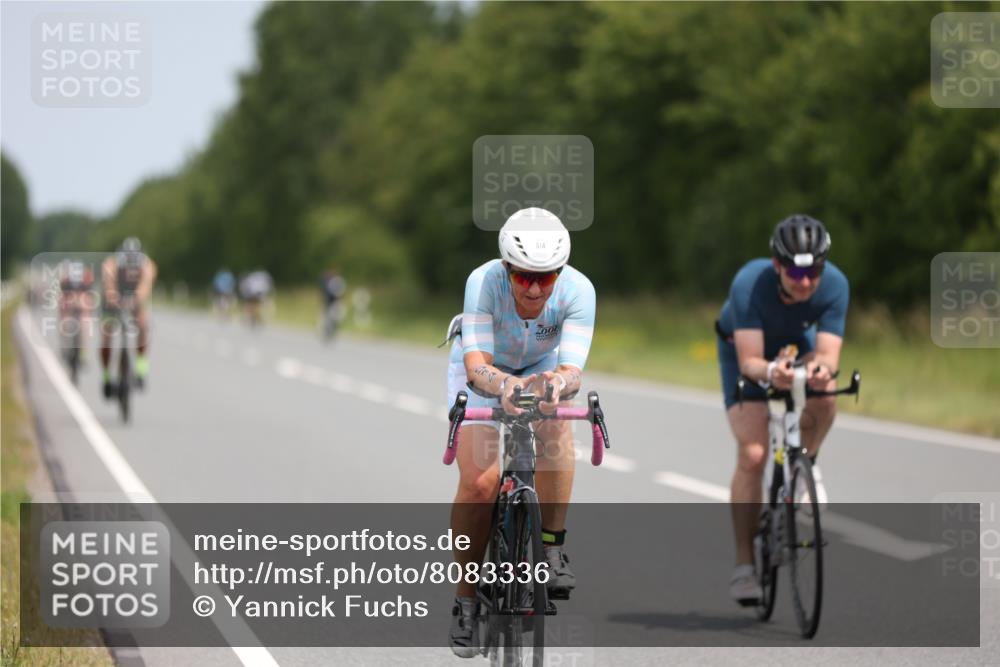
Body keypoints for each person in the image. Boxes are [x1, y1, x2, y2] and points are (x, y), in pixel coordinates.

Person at [447, 207, 596, 657]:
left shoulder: (579, 290)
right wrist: (505, 386)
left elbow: (572, 369)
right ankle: (466, 599)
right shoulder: (484, 282)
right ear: (506, 268)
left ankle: (552, 546)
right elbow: (477, 367)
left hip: (540, 365)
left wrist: (554, 384)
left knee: (555, 427)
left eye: (545, 277)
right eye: (523, 277)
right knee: (480, 483)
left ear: (560, 272)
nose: (534, 288)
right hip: (481, 370)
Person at [715, 214, 848, 606]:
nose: (805, 281)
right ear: (777, 265)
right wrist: (773, 372)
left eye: (814, 272)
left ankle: (806, 463)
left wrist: (819, 371)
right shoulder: (749, 283)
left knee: (825, 394)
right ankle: (744, 566)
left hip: (796, 346)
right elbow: (751, 361)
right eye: (794, 272)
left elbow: (827, 355)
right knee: (754, 455)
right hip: (745, 351)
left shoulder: (836, 284)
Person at [100, 237, 158, 396]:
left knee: (142, 325)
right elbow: (109, 282)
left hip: (134, 298)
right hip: (113, 299)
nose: (131, 268)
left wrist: (136, 299)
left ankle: (140, 369)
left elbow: (145, 286)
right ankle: (106, 376)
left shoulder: (148, 265)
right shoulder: (111, 263)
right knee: (107, 333)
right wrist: (113, 297)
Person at [319, 268, 347, 340]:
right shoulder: (328, 282)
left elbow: (340, 293)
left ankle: (331, 332)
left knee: (334, 318)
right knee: (327, 319)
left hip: (334, 303)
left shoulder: (337, 282)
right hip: (329, 303)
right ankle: (326, 332)